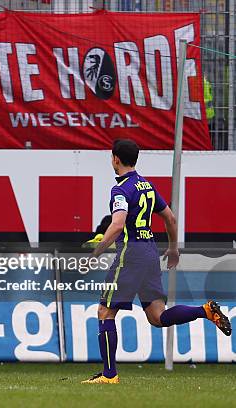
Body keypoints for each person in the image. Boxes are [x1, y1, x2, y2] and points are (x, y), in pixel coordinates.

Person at [82, 139, 232, 385]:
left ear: (115, 159)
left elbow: (118, 224)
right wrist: (173, 248)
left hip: (130, 255)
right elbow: (170, 218)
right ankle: (204, 311)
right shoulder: (147, 186)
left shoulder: (120, 189)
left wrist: (96, 252)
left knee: (105, 312)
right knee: (157, 316)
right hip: (150, 252)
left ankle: (109, 375)